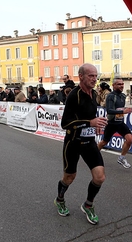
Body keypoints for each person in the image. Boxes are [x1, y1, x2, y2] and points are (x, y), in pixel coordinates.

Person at [54, 63, 108, 225]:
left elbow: (91, 117)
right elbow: (65, 124)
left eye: (95, 76)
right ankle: (60, 199)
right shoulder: (74, 95)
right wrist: (89, 122)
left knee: (100, 177)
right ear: (81, 76)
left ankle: (88, 205)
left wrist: (96, 126)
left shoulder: (93, 94)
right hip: (73, 142)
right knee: (70, 177)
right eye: (91, 76)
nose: (94, 79)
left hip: (89, 142)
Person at [97, 78, 132, 168]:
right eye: (119, 84)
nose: (121, 86)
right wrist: (122, 112)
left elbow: (119, 108)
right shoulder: (110, 96)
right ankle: (94, 155)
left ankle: (121, 158)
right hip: (111, 123)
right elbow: (109, 110)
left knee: (130, 139)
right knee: (104, 142)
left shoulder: (123, 96)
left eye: (122, 84)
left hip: (120, 123)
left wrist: (125, 109)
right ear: (113, 85)